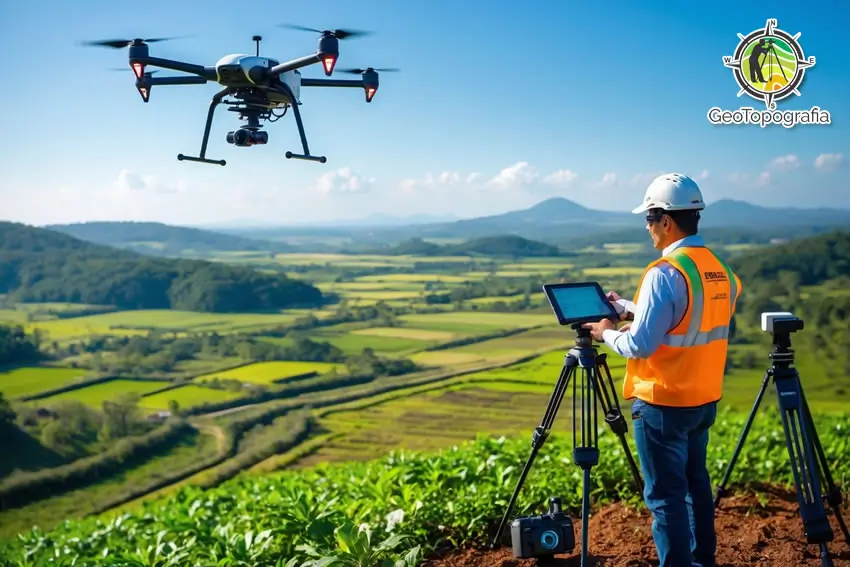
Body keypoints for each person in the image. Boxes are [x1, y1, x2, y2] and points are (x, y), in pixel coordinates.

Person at [582, 173, 742, 567]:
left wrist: (605, 333)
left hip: (663, 401)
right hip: (702, 399)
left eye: (649, 219)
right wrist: (630, 309)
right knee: (695, 486)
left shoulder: (664, 273)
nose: (647, 228)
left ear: (666, 221)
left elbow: (640, 345)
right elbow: (691, 317)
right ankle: (702, 560)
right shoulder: (719, 270)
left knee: (665, 497)